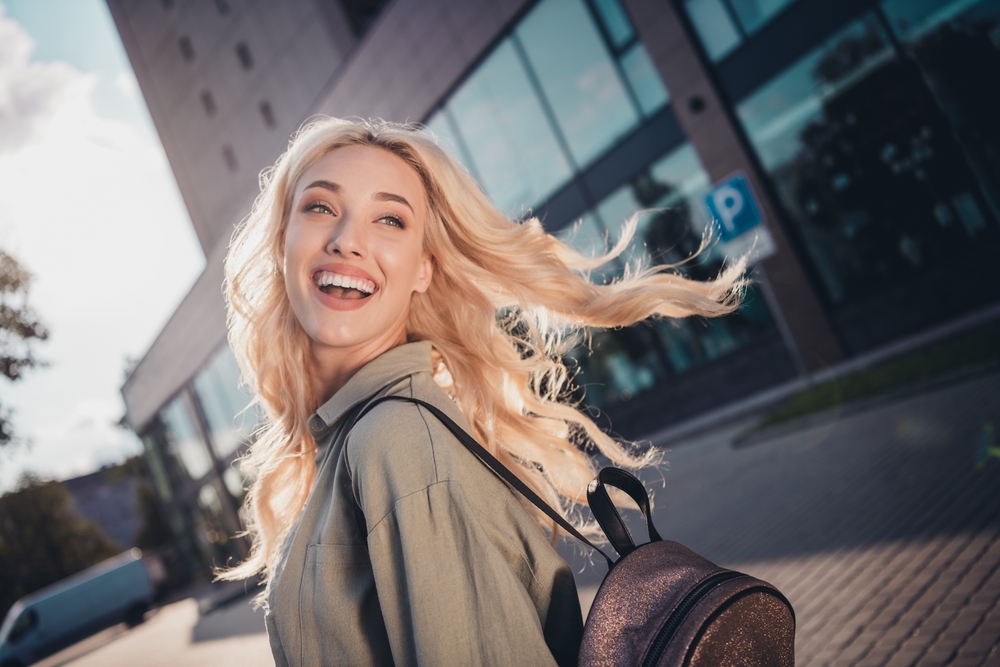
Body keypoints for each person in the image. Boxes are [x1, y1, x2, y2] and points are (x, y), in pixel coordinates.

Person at [220, 117, 745, 666]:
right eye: (321, 207)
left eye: (390, 219)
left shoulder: (396, 439)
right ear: (283, 241)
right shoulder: (355, 437)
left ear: (424, 268)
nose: (347, 240)